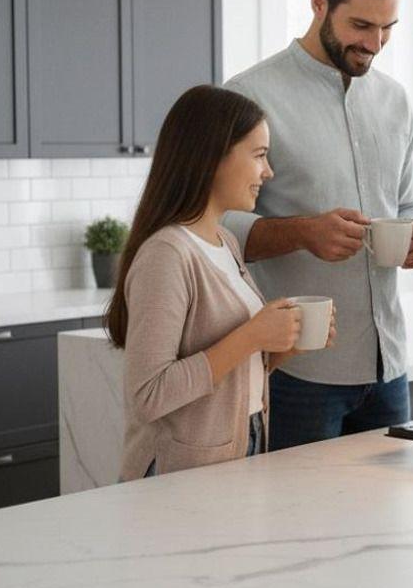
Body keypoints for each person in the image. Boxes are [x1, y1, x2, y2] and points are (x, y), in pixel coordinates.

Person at [224, 0, 413, 449]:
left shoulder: (395, 100)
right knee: (297, 503)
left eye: (387, 28)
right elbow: (215, 227)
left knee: (391, 503)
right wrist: (302, 232)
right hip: (298, 370)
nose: (375, 43)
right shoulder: (249, 97)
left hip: (388, 365)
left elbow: (408, 200)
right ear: (318, 2)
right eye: (360, 25)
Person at [107, 84, 320, 479]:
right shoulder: (167, 254)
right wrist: (252, 336)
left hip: (238, 447)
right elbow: (149, 394)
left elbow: (226, 373)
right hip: (175, 472)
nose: (268, 172)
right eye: (259, 155)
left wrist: (280, 348)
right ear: (213, 157)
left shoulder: (225, 242)